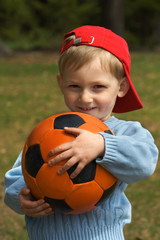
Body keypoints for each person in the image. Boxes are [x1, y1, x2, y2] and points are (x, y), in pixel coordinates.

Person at [4, 25, 158, 240]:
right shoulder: (50, 133)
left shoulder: (124, 132)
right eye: (74, 86)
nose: (85, 98)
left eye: (98, 87)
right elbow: (17, 177)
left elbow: (144, 162)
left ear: (121, 87)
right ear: (61, 84)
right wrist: (21, 197)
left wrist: (103, 145)